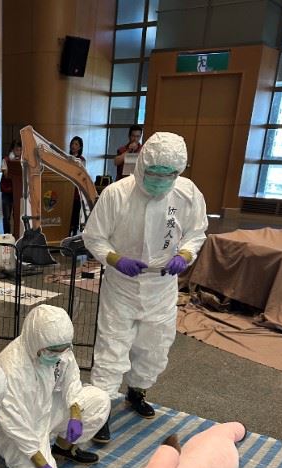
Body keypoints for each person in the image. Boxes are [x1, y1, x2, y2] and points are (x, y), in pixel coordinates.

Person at [83, 131, 208, 441]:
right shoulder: (117, 194)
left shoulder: (187, 194)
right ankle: (100, 411)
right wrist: (115, 259)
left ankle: (136, 392)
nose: (160, 181)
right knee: (112, 346)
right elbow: (94, 237)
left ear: (179, 172)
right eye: (154, 173)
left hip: (162, 287)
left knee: (155, 346)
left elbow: (196, 232)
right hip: (122, 285)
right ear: (141, 165)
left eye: (169, 175)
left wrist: (185, 255)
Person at [0, 304, 110, 468]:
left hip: (45, 409)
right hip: (18, 429)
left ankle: (63, 448)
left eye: (63, 350)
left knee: (99, 400)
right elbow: (14, 424)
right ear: (36, 341)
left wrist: (75, 414)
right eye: (53, 351)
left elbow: (72, 379)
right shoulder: (11, 368)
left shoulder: (58, 347)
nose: (58, 356)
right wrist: (41, 464)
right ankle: (22, 456)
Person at [0, 139, 22, 235]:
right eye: (17, 149)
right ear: (12, 150)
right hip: (7, 192)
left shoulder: (23, 161)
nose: (19, 152)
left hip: (18, 192)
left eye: (20, 150)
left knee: (17, 215)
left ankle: (16, 235)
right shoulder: (5, 160)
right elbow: (6, 175)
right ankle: (7, 235)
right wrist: (13, 164)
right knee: (7, 216)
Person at [69, 136, 86, 236]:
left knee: (75, 212)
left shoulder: (82, 160)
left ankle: (74, 232)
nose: (73, 146)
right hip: (67, 188)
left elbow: (81, 174)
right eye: (72, 143)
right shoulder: (66, 157)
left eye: (76, 144)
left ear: (80, 147)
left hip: (76, 190)